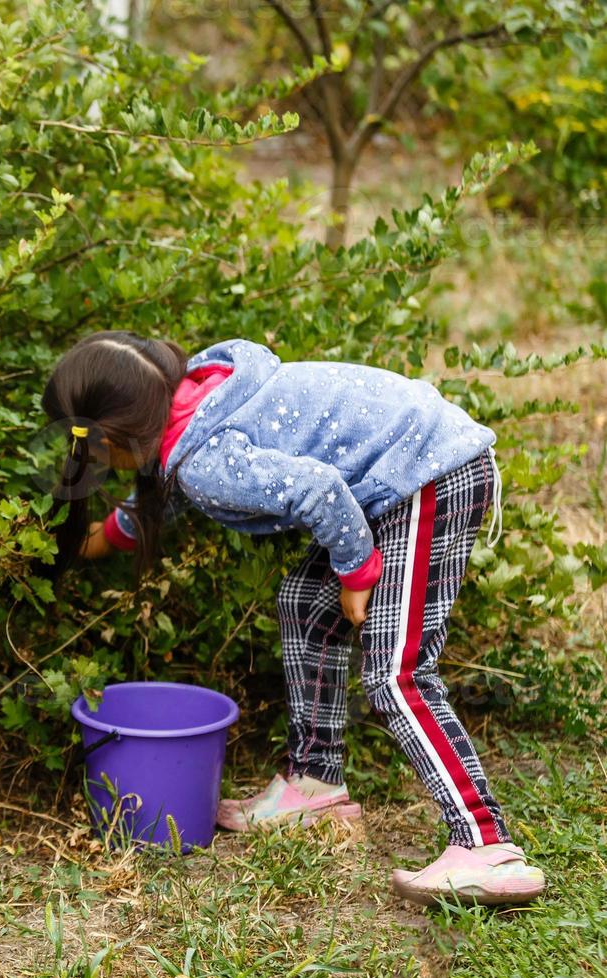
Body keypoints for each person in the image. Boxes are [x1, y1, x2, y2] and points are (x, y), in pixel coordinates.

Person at [44, 331, 546, 907]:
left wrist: (358, 573)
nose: (103, 464)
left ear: (113, 435)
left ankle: (488, 845)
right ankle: (315, 784)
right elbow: (161, 497)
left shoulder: (205, 459)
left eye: (99, 455)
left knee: (394, 674)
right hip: (400, 474)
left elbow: (321, 491)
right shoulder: (194, 401)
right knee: (304, 605)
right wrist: (94, 542)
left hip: (429, 472)